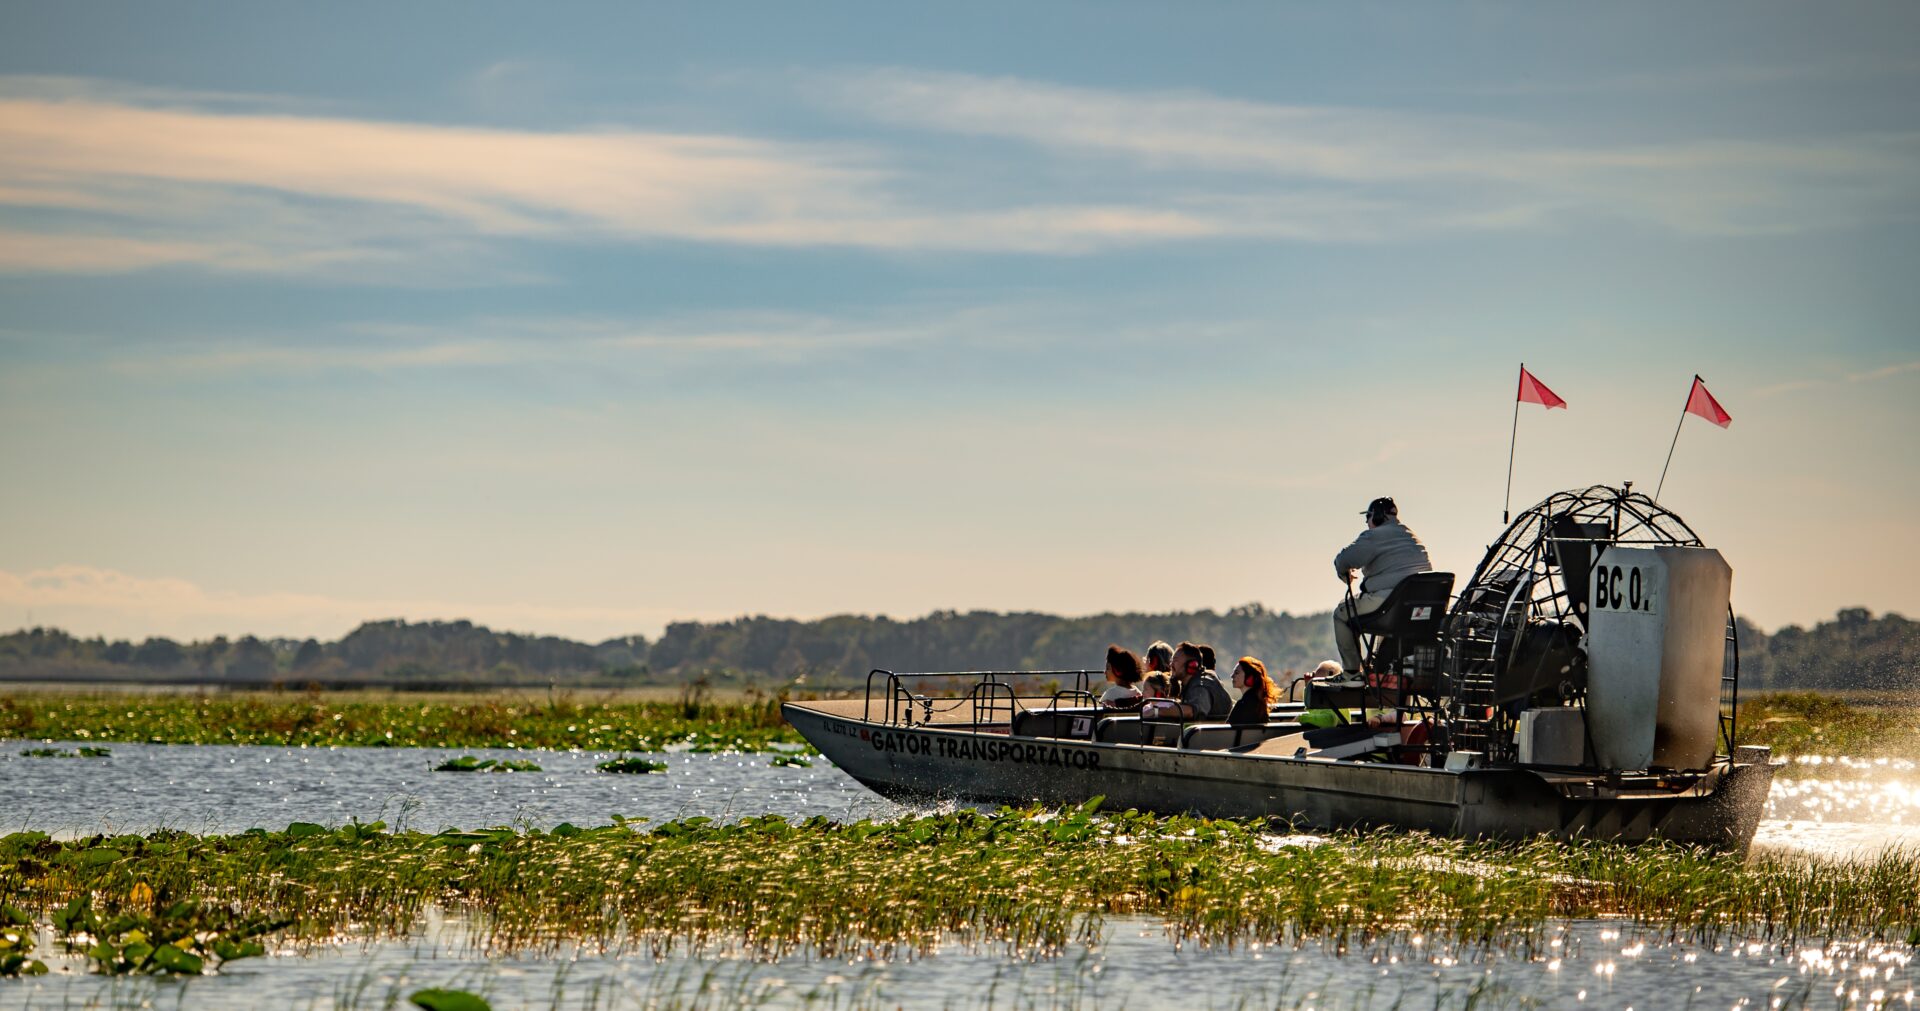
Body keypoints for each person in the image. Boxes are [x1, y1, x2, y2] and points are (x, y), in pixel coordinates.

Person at [1332, 496, 1433, 674]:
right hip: (1419, 608)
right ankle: (1379, 668)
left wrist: (1344, 573)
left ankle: (1351, 673)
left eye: (1368, 517)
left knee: (1341, 614)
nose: (1366, 522)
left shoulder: (1374, 536)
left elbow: (1343, 560)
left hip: (1391, 603)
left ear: (1377, 516)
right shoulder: (1410, 536)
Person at [1144, 641, 1231, 721]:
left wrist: (1156, 711)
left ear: (1192, 665)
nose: (1171, 664)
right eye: (1171, 661)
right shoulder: (1196, 682)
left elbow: (1191, 711)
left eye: (1175, 660)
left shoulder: (1200, 686)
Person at [1226, 657, 1279, 726]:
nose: (1232, 676)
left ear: (1250, 677)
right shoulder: (1260, 704)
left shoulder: (1242, 705)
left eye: (1236, 673)